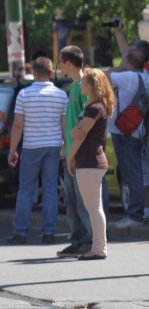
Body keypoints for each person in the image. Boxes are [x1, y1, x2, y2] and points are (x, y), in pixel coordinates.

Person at [6, 57, 68, 243]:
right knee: (50, 189)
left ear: (33, 72)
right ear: (51, 73)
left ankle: (20, 232)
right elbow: (64, 125)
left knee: (26, 189)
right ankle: (49, 232)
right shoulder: (61, 95)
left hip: (31, 146)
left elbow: (17, 126)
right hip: (53, 146)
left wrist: (12, 150)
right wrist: (68, 148)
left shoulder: (24, 95)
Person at [66, 68, 114, 260]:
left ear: (92, 85)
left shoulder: (94, 108)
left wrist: (69, 157)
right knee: (95, 207)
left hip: (90, 162)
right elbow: (78, 133)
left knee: (93, 208)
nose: (81, 84)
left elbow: (79, 135)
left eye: (85, 81)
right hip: (93, 161)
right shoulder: (96, 106)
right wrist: (75, 132)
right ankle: (99, 246)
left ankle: (99, 248)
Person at [55, 46, 95, 258]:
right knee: (72, 203)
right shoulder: (73, 87)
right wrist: (66, 150)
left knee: (82, 202)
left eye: (60, 62)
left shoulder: (84, 88)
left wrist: (74, 153)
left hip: (78, 154)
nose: (59, 66)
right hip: (70, 152)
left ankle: (90, 241)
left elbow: (84, 125)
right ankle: (77, 239)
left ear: (69, 63)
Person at [106, 49, 149, 228]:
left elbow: (106, 75)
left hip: (124, 132)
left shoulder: (128, 77)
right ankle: (137, 212)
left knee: (132, 174)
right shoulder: (145, 77)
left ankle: (134, 215)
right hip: (137, 129)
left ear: (130, 64)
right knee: (136, 173)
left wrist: (120, 66)